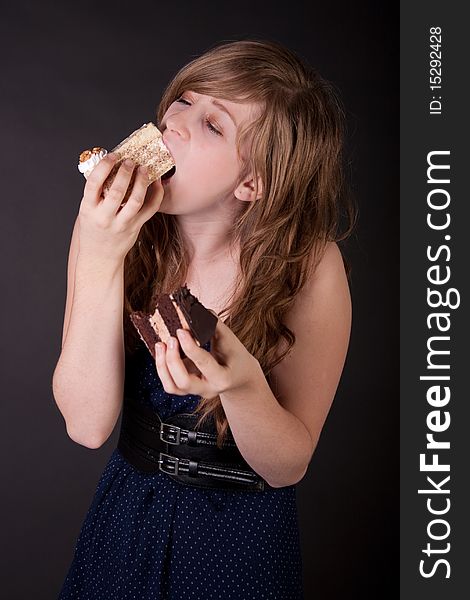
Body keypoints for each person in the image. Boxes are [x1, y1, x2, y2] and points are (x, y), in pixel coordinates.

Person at [54, 38, 356, 600]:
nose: (175, 122)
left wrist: (241, 384)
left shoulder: (310, 265)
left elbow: (288, 464)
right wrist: (99, 253)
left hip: (241, 540)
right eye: (184, 101)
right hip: (127, 520)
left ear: (253, 182)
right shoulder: (107, 229)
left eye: (214, 126)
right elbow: (87, 424)